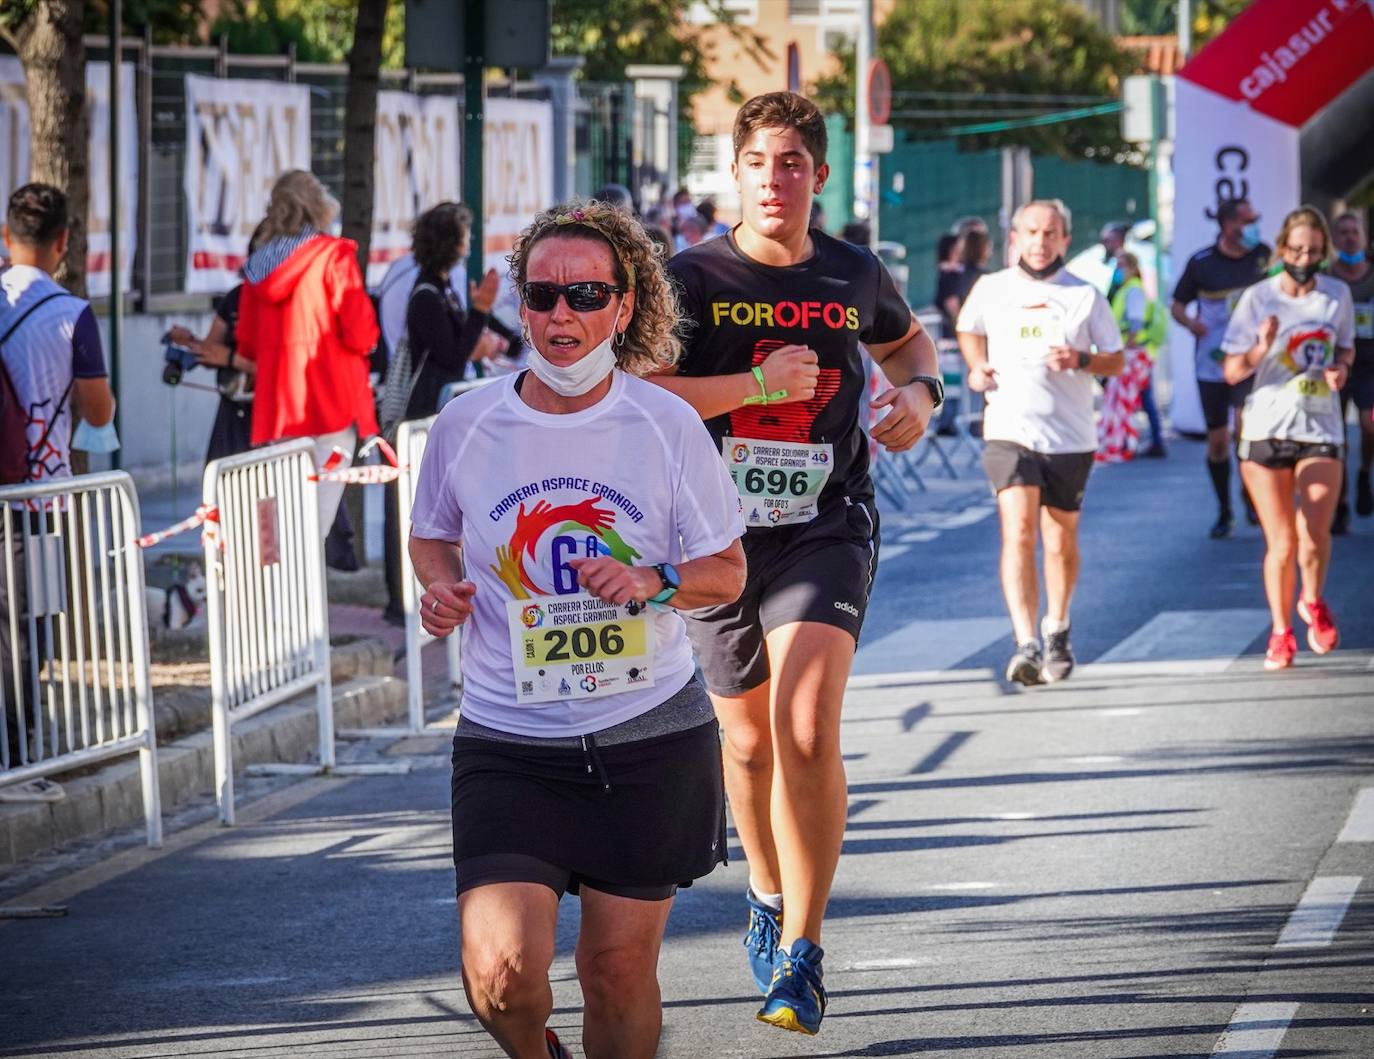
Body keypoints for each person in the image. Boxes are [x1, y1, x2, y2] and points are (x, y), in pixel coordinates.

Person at [408, 201, 746, 1059]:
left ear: (624, 308)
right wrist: (442, 588)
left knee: (615, 971)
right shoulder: (467, 422)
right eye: (543, 294)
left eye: (587, 294)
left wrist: (653, 579)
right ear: (521, 304)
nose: (563, 316)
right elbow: (430, 533)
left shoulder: (666, 425)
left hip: (648, 738)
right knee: (501, 976)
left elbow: (727, 572)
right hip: (510, 740)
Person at [659, 91, 940, 1036]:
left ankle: (805, 952)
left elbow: (907, 344)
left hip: (827, 521)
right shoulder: (690, 276)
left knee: (806, 723)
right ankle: (769, 894)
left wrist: (922, 396)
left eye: (793, 162)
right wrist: (754, 386)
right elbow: (644, 393)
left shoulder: (855, 272)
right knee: (745, 743)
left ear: (819, 174)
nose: (776, 179)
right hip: (716, 537)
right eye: (759, 162)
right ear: (732, 172)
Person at [956, 199, 1123, 686]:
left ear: (1065, 240)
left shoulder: (1085, 296)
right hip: (1010, 430)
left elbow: (1115, 359)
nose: (1040, 241)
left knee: (1059, 540)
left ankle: (1058, 626)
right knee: (1019, 531)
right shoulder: (992, 288)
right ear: (1015, 237)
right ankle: (1025, 639)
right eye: (1031, 231)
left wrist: (1081, 360)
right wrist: (976, 364)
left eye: (1050, 233)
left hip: (1070, 437)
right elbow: (969, 329)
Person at [0, 182, 115, 802]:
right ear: (64, 242)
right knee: (29, 627)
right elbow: (98, 413)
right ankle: (18, 759)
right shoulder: (71, 314)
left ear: (5, 236)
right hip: (37, 497)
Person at [1221, 206, 1354, 670]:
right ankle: (1280, 632)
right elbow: (1232, 369)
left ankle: (1312, 601)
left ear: (1324, 253)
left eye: (1314, 252)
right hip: (1266, 428)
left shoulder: (1337, 295)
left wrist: (1341, 369)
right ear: (1281, 249)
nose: (1305, 258)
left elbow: (1345, 349)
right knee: (1281, 543)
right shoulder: (1258, 298)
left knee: (1314, 533)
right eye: (1297, 250)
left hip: (1320, 425)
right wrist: (1262, 344)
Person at [235, 170, 379, 533]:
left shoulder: (258, 268)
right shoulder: (333, 256)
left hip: (279, 409)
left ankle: (282, 589)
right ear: (318, 206)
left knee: (285, 518)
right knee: (317, 520)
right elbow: (361, 334)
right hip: (334, 402)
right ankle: (305, 592)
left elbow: (248, 345)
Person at [382, 203, 501, 623]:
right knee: (417, 512)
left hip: (437, 409)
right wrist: (482, 311)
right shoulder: (425, 295)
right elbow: (451, 358)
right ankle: (400, 600)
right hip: (424, 413)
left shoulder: (443, 288)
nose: (469, 245)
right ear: (450, 243)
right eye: (464, 237)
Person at [1172, 197, 1270, 538]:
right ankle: (1224, 508)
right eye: (1250, 219)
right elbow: (1177, 304)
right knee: (1218, 442)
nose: (1256, 224)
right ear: (1230, 226)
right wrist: (1190, 323)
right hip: (1211, 365)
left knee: (1246, 432)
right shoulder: (1201, 263)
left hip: (1250, 363)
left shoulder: (1263, 256)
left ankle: (1252, 496)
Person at [1329, 211, 1374, 533]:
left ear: (1364, 234)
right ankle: (1341, 504)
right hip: (1336, 364)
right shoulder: (1328, 278)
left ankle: (1363, 475)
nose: (1349, 237)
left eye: (1354, 231)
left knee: (1370, 424)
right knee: (1336, 440)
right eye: (1342, 232)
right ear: (1335, 239)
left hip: (1370, 364)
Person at [1106, 251, 1167, 459]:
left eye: (1121, 266)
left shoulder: (1133, 291)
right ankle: (1137, 440)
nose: (1118, 270)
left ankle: (1145, 441)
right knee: (1139, 398)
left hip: (1135, 354)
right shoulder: (1127, 290)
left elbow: (1135, 323)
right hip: (1135, 353)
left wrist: (1128, 349)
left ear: (1132, 268)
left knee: (1139, 398)